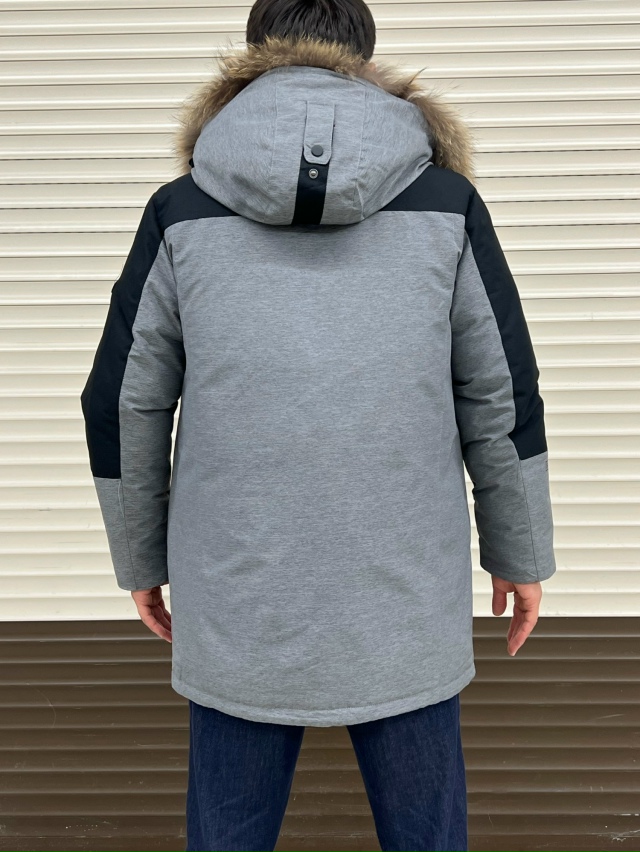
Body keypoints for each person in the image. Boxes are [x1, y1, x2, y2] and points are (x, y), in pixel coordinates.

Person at [80, 0, 557, 848]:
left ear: (255, 55)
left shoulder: (183, 209)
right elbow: (499, 391)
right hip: (404, 596)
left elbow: (123, 401)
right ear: (364, 57)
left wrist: (141, 559)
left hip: (238, 595)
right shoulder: (447, 202)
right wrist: (520, 554)